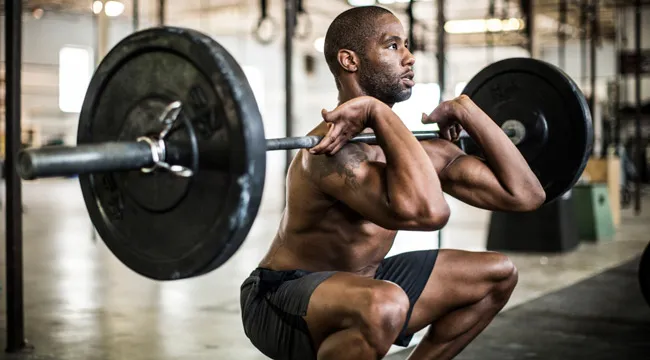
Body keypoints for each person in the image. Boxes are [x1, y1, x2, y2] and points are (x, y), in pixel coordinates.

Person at [240, 5, 545, 360]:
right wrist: (376, 110)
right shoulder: (331, 151)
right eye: (392, 46)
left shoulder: (419, 150)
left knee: (496, 275)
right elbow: (429, 214)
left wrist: (467, 110)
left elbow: (526, 194)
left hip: (364, 284)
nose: (409, 57)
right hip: (281, 297)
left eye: (406, 46)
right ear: (349, 61)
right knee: (385, 304)